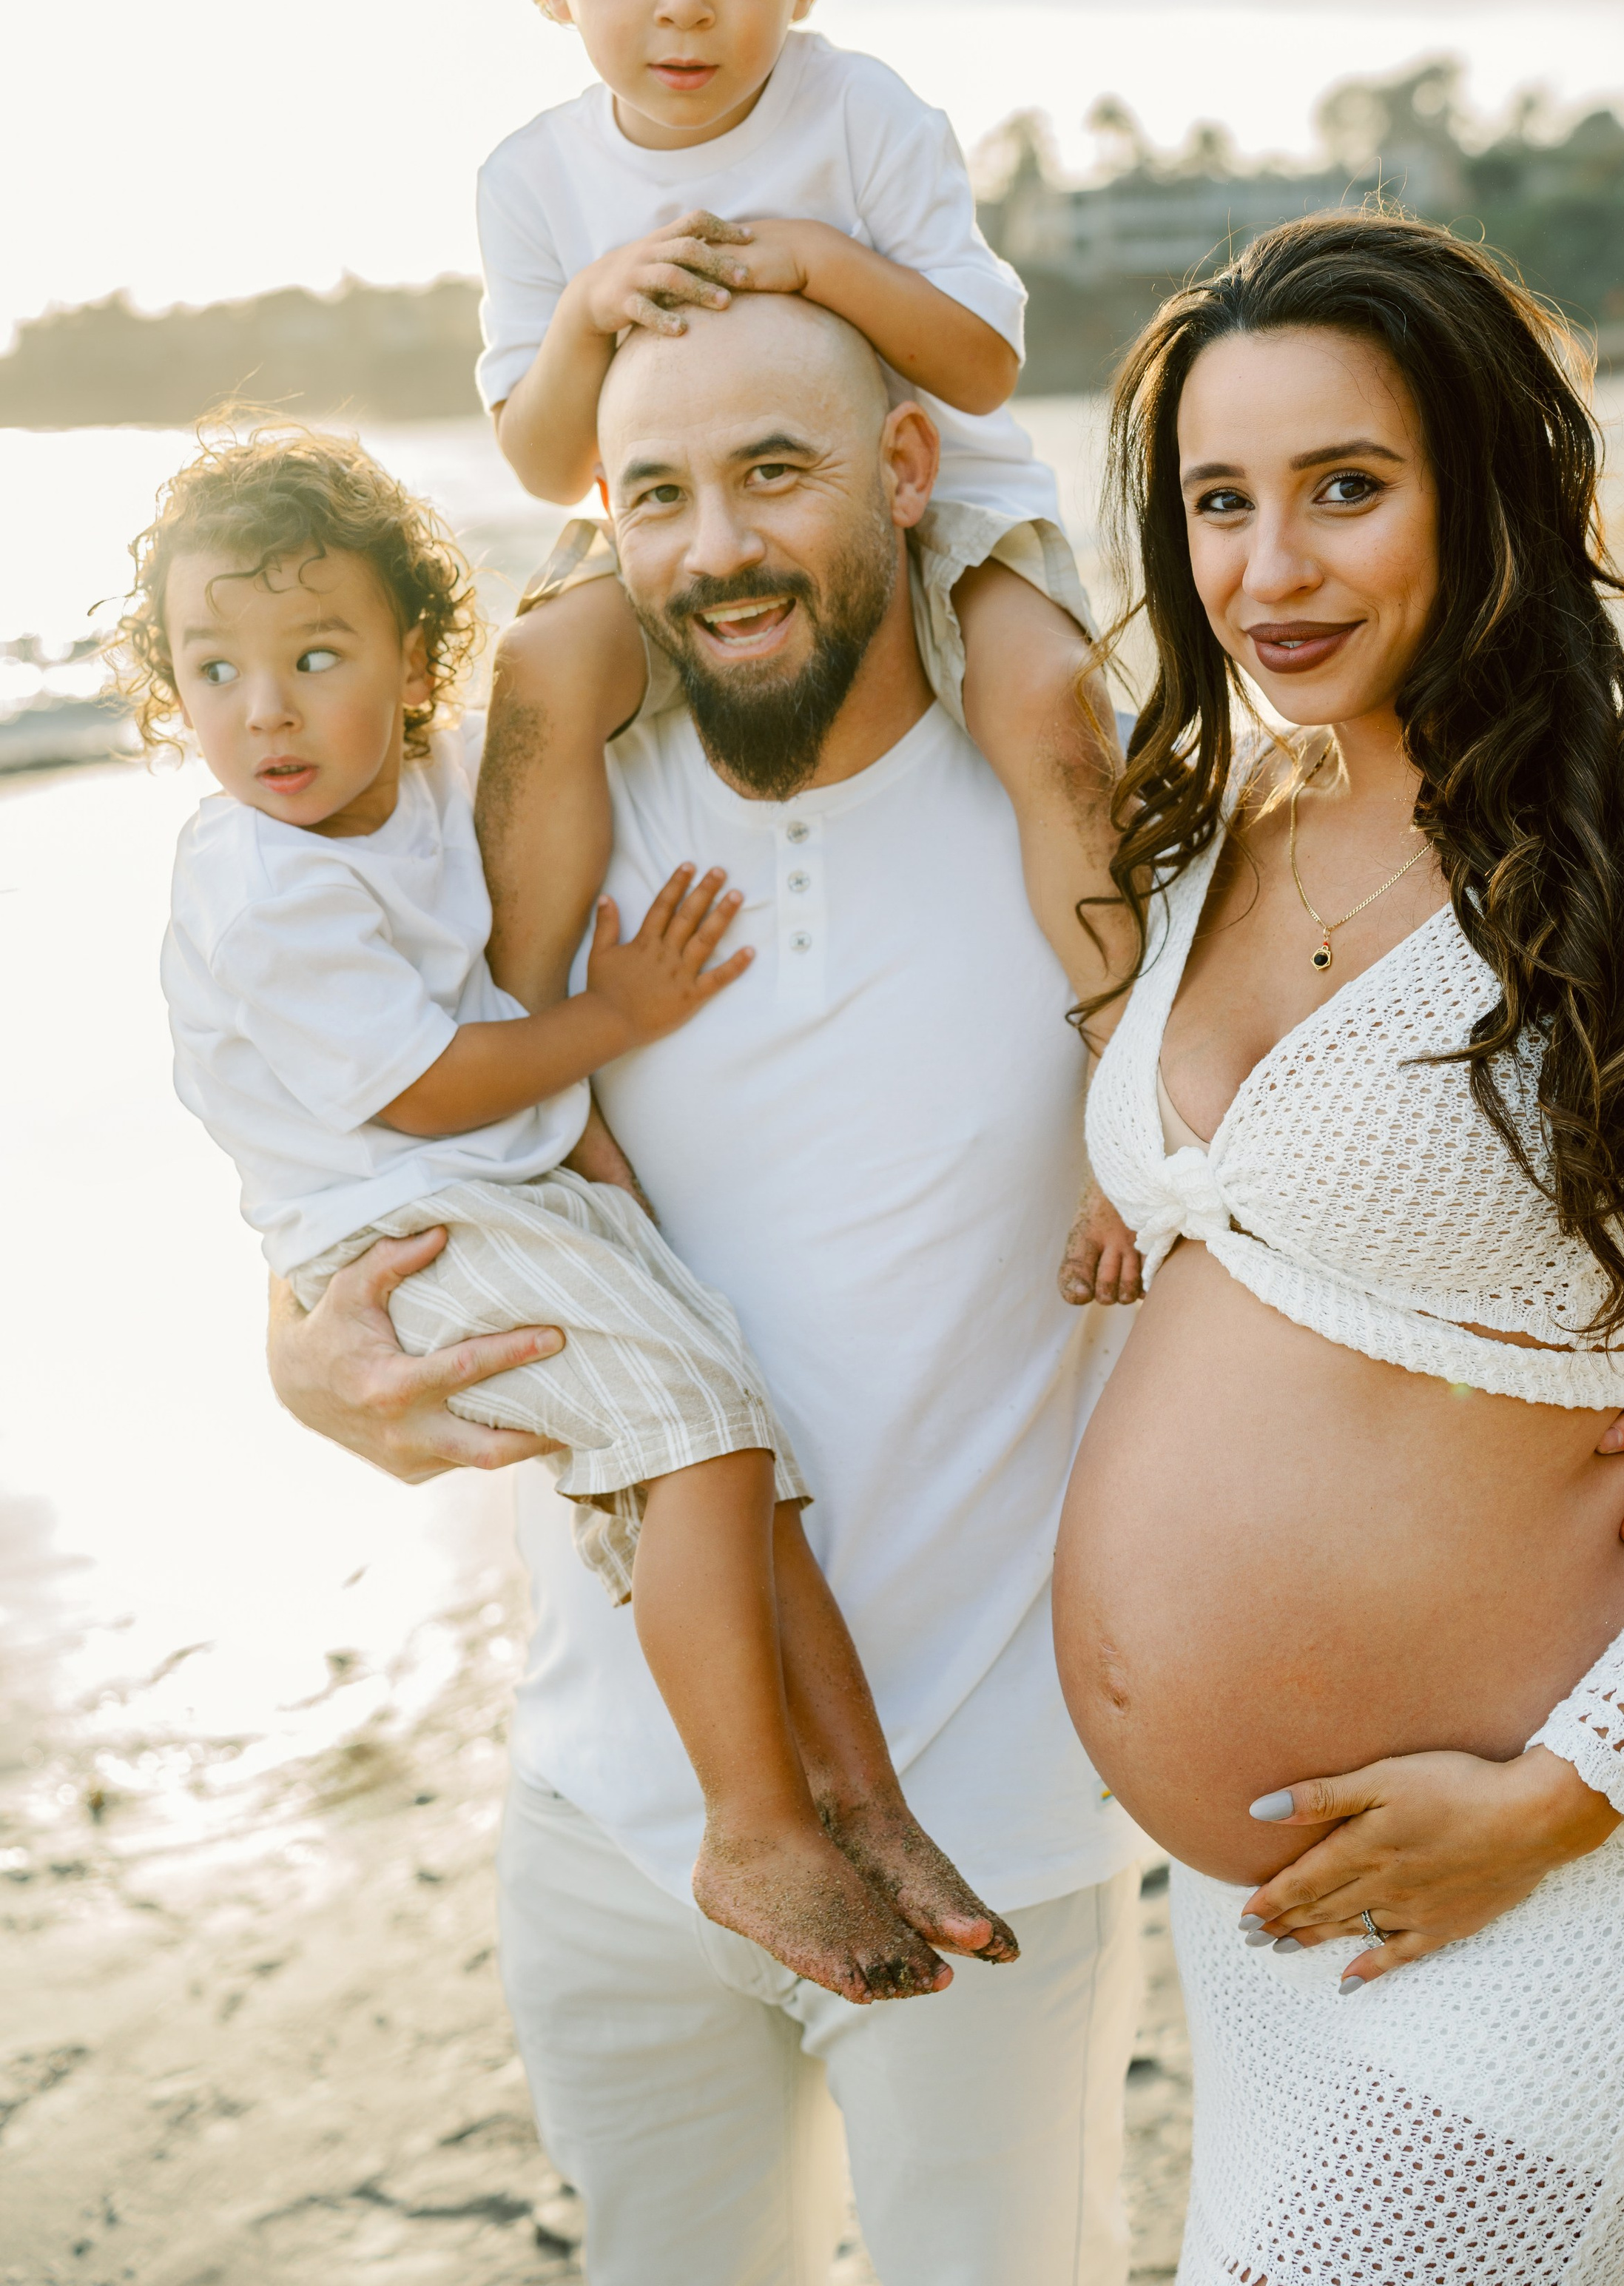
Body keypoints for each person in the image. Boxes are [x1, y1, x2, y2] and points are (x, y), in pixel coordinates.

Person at [266, 293, 1149, 2286]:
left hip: (991, 1815)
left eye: (776, 473)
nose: (717, 548)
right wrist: (303, 1369)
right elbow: (351, 1161)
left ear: (908, 474)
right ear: (600, 522)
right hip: (599, 1814)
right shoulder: (531, 844)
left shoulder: (1078, 824)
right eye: (654, 493)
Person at [1056, 209, 1624, 2282]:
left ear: (1493, 489)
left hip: (1560, 1885)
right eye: (1219, 505)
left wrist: (1558, 1801)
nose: (1271, 571)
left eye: (1348, 488)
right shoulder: (1206, 842)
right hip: (1265, 1931)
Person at [124, 417, 1017, 2008]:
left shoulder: (416, 774)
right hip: (402, 1220)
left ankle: (864, 1808)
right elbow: (428, 1087)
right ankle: (752, 1827)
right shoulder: (261, 883)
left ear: (413, 664)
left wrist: (642, 504)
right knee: (702, 1446)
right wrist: (620, 1013)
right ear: (165, 683)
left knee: (751, 1475)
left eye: (315, 655)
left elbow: (557, 632)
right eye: (210, 670)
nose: (262, 711)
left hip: (497, 1195)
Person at [470, 0, 1108, 983]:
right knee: (539, 670)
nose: (685, 5)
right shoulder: (532, 181)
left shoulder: (862, 115)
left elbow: (982, 367)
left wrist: (821, 264)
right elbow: (545, 467)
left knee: (1045, 694)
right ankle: (525, 1022)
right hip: (669, 519)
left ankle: (1118, 1015)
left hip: (932, 494)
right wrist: (591, 311)